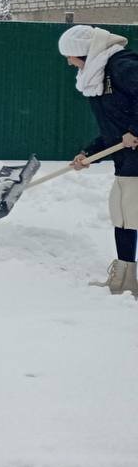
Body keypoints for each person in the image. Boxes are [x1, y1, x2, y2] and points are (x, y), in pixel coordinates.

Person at [58, 25, 138, 297]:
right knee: (123, 214)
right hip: (127, 159)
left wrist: (135, 130)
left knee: (131, 212)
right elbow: (113, 129)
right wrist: (88, 153)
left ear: (83, 53)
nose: (69, 62)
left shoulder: (122, 66)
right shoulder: (98, 76)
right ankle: (125, 279)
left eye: (70, 57)